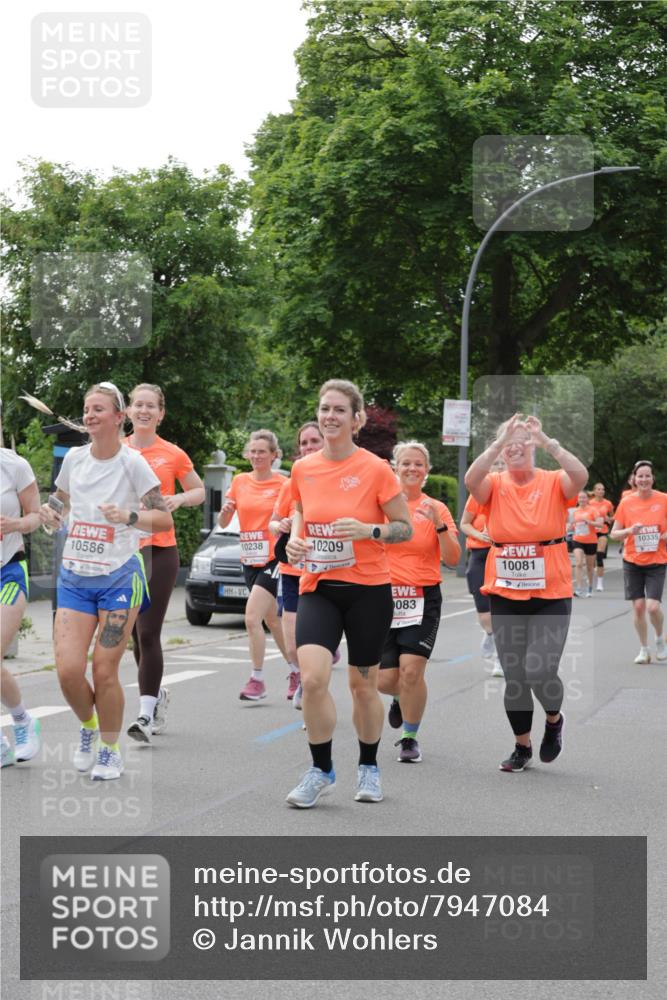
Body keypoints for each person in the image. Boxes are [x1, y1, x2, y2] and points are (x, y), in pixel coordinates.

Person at [285, 379, 412, 807]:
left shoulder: (376, 468)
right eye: (324, 409)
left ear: (356, 419)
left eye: (339, 410)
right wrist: (296, 540)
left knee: (363, 686)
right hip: (318, 586)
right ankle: (321, 770)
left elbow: (403, 527)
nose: (329, 417)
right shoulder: (303, 468)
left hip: (368, 590)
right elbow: (300, 510)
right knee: (314, 678)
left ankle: (369, 767)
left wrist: (369, 530)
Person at [39, 382, 173, 780]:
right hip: (75, 577)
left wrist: (129, 518)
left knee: (104, 669)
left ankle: (111, 750)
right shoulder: (75, 460)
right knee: (66, 670)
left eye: (99, 409)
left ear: (119, 417)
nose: (90, 415)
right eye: (86, 409)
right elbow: (59, 500)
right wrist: (50, 512)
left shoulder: (133, 464)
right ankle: (89, 728)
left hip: (119, 579)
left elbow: (163, 518)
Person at [465, 414, 587, 773]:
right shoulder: (493, 483)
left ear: (533, 446)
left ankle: (553, 719)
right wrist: (498, 442)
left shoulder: (553, 481)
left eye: (523, 440)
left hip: (550, 592)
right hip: (505, 591)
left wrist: (548, 440)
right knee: (515, 675)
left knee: (540, 669)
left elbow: (580, 476)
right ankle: (522, 746)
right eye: (509, 441)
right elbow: (472, 480)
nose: (516, 446)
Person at [124, 384, 204, 744]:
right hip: (123, 550)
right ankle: (155, 696)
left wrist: (179, 499)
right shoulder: (115, 450)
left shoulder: (172, 453)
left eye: (150, 406)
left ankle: (143, 714)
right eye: (137, 404)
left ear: (160, 414)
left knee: (148, 631)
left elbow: (199, 490)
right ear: (127, 411)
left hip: (159, 550)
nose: (143, 410)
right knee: (135, 636)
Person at [378, 442, 460, 762]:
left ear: (427, 471)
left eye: (419, 464)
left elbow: (453, 559)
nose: (412, 469)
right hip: (383, 597)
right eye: (406, 463)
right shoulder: (381, 506)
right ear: (394, 467)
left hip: (422, 597)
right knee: (386, 681)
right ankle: (398, 698)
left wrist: (438, 525)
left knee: (412, 672)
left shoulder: (436, 507)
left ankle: (409, 737)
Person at [219, 430, 289, 700]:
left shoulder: (284, 484)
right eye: (253, 451)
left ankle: (257, 680)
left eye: (263, 451)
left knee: (251, 618)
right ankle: (296, 670)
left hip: (274, 557)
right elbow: (224, 523)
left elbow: (294, 516)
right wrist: (225, 514)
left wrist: (284, 524)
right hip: (249, 558)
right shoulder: (239, 481)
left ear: (274, 455)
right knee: (272, 619)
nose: (257, 456)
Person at [269, 422, 325, 705]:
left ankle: (315, 688)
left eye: (314, 441)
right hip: (292, 572)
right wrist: (282, 524)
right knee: (292, 646)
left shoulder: (334, 480)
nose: (308, 447)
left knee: (314, 644)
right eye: (304, 443)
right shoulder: (292, 481)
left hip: (324, 573)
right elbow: (272, 522)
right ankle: (304, 677)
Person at [1, 428, 42, 767]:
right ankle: (3, 742)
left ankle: (22, 722)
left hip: (9, 571)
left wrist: (14, 525)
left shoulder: (14, 465)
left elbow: (37, 515)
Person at [610, 460, 667, 664]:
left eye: (647, 476)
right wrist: (629, 531)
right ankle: (644, 649)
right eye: (640, 476)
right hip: (632, 560)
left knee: (652, 607)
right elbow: (614, 533)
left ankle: (660, 639)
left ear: (653, 478)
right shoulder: (627, 502)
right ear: (634, 479)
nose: (644, 479)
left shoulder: (664, 500)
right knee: (639, 607)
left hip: (656, 561)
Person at [460, 457, 505, 677]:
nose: (499, 468)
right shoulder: (478, 493)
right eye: (495, 463)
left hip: (504, 556)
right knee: (485, 613)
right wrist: (481, 535)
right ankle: (489, 634)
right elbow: (464, 524)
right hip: (479, 554)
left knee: (501, 609)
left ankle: (500, 659)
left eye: (503, 464)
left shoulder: (513, 494)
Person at [569, 491, 603, 597]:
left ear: (587, 499)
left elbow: (600, 524)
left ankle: (589, 588)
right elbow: (571, 526)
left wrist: (589, 522)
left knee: (589, 567)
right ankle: (579, 588)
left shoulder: (593, 510)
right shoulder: (574, 512)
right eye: (580, 498)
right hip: (577, 539)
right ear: (577, 499)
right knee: (578, 563)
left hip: (591, 541)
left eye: (584, 498)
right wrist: (569, 527)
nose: (582, 500)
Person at [588, 483, 614, 592]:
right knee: (591, 559)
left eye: (603, 489)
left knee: (599, 556)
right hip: (591, 532)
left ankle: (600, 582)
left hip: (603, 531)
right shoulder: (589, 503)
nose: (601, 491)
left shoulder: (608, 503)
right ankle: (591, 578)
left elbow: (613, 517)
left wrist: (609, 519)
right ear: (594, 491)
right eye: (599, 489)